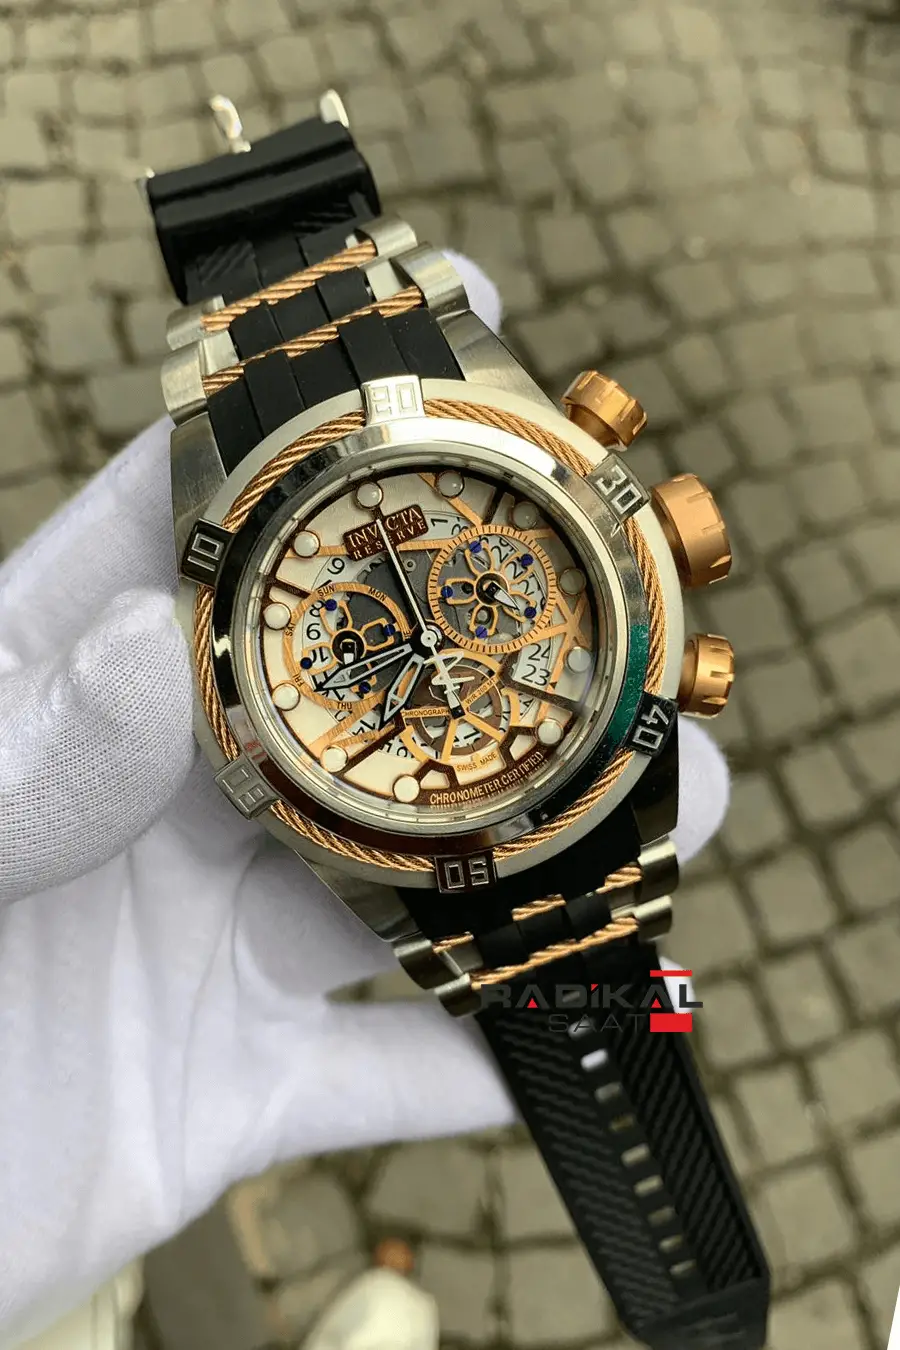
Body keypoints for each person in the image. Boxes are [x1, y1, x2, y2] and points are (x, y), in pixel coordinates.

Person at [0, 258, 730, 1348]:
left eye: (466, 611)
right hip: (413, 794)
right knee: (637, 996)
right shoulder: (276, 756)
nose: (437, 641)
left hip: (482, 770)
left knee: (641, 969)